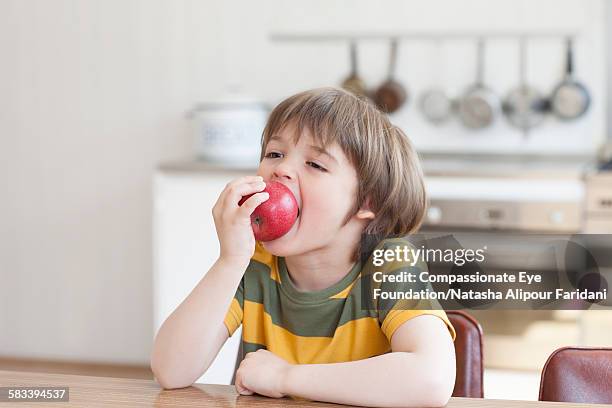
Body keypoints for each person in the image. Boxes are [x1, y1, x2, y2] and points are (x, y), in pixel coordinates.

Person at [151, 87, 457, 407]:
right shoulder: (255, 261)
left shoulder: (389, 265)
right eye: (274, 154)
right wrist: (230, 259)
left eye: (315, 164)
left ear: (369, 201)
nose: (281, 169)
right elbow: (171, 371)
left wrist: (285, 377)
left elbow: (431, 380)